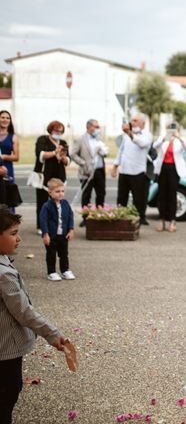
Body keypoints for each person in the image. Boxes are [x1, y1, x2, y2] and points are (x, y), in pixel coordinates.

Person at [0, 206, 71, 424]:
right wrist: (54, 335)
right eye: (13, 234)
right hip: (6, 350)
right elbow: (24, 312)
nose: (19, 239)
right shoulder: (4, 275)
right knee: (9, 391)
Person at [111, 115, 153, 225]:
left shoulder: (147, 135)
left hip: (138, 172)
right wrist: (115, 166)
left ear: (143, 123)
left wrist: (129, 133)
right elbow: (121, 151)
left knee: (138, 199)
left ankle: (138, 220)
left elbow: (142, 143)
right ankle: (121, 219)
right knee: (121, 198)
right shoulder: (126, 136)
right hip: (124, 171)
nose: (132, 122)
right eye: (132, 121)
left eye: (135, 120)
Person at [70, 119, 109, 226]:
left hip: (99, 170)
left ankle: (99, 216)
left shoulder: (99, 138)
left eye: (98, 126)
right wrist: (83, 163)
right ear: (89, 127)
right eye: (96, 126)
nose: (98, 129)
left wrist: (103, 152)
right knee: (86, 195)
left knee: (101, 193)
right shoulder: (80, 139)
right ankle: (86, 218)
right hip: (86, 172)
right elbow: (73, 154)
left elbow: (105, 152)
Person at [152, 123, 186, 232]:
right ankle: (162, 219)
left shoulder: (179, 140)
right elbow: (155, 146)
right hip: (163, 168)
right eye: (169, 129)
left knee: (172, 195)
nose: (171, 131)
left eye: (173, 129)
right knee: (162, 195)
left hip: (174, 169)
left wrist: (179, 137)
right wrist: (163, 138)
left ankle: (172, 220)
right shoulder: (164, 138)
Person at [34, 121, 70, 233]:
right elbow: (40, 155)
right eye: (56, 130)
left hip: (59, 175)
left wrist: (63, 157)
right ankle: (41, 226)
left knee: (58, 201)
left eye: (60, 131)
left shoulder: (63, 142)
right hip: (45, 175)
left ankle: (55, 224)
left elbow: (67, 160)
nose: (58, 133)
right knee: (42, 202)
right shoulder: (42, 140)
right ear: (50, 130)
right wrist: (55, 152)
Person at [39, 178, 75, 282]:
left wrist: (71, 230)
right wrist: (45, 234)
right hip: (51, 236)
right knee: (51, 254)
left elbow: (70, 216)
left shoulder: (65, 204)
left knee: (64, 254)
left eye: (62, 191)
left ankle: (65, 270)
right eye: (57, 191)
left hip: (63, 235)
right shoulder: (46, 206)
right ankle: (51, 272)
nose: (61, 194)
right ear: (50, 192)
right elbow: (43, 220)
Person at [0, 111, 19, 184]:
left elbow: (16, 157)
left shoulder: (13, 137)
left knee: (7, 194)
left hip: (7, 169)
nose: (5, 120)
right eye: (3, 117)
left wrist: (3, 157)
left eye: (8, 118)